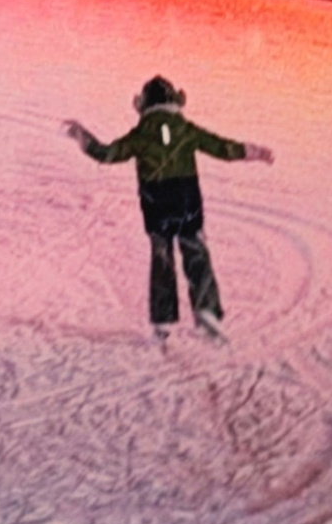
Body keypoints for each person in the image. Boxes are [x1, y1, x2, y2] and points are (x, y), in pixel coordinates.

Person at [62, 76, 272, 342]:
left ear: (144, 105)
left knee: (162, 258)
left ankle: (163, 319)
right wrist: (255, 153)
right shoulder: (185, 129)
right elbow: (221, 147)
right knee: (195, 251)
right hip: (186, 200)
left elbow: (107, 153)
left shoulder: (141, 134)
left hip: (156, 203)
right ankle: (206, 310)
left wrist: (82, 137)